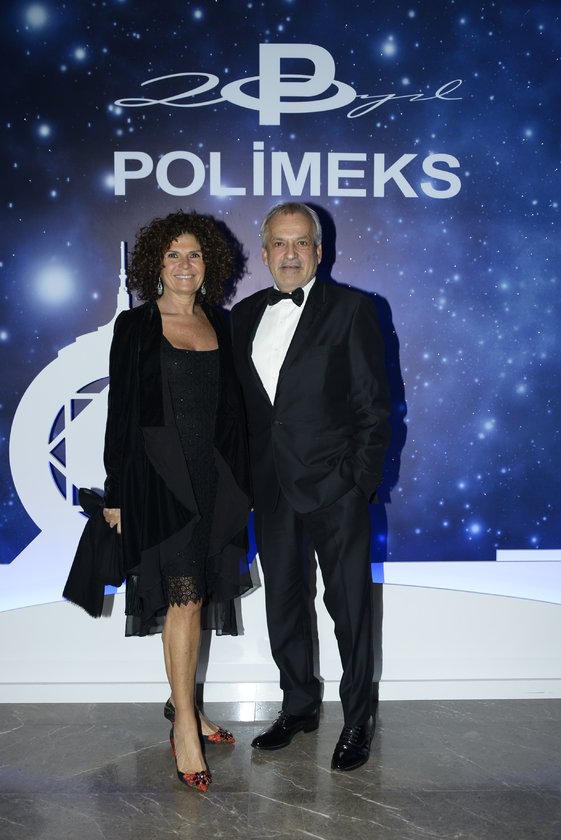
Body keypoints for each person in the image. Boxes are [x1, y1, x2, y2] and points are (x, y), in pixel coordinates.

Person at [230, 202, 391, 772]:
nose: (291, 253)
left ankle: (358, 719)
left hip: (335, 488)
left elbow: (375, 408)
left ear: (319, 252)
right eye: (280, 243)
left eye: (302, 243)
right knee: (284, 604)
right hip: (270, 489)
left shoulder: (353, 310)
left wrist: (356, 483)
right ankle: (298, 706)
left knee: (350, 609)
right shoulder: (243, 315)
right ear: (265, 252)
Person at [102, 211, 252, 792]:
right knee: (184, 600)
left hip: (213, 478)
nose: (184, 264)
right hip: (161, 480)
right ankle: (185, 727)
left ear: (208, 263)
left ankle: (182, 703)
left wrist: (244, 485)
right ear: (155, 266)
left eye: (194, 254)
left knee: (198, 595)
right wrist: (117, 491)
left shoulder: (222, 322)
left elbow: (234, 412)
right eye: (172, 255)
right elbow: (121, 413)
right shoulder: (135, 326)